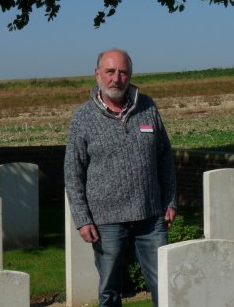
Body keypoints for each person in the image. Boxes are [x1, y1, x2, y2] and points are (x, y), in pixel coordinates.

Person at [64, 48, 177, 307]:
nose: (117, 78)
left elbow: (165, 157)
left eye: (123, 72)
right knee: (110, 291)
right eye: (110, 71)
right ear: (97, 75)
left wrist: (170, 200)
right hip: (106, 221)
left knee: (165, 285)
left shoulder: (147, 107)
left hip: (150, 216)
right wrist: (82, 219)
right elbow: (73, 171)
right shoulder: (83, 117)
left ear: (130, 75)